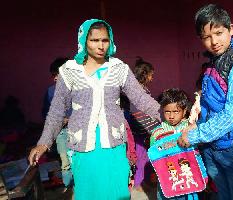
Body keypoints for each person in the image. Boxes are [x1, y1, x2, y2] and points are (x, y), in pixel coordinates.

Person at [28, 19, 160, 200]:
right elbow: (57, 111)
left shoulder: (118, 68)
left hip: (113, 144)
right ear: (83, 41)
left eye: (105, 40)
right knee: (88, 192)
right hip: (83, 146)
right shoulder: (69, 70)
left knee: (118, 192)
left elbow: (140, 98)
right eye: (94, 40)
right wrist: (44, 142)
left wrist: (165, 114)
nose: (101, 45)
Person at [177, 4, 233, 199]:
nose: (214, 41)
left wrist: (195, 135)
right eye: (206, 37)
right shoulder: (214, 61)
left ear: (231, 29)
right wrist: (195, 126)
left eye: (218, 33)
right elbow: (210, 104)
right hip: (215, 144)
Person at [149, 88, 197, 200]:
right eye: (167, 111)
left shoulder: (190, 129)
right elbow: (153, 155)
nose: (171, 116)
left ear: (184, 111)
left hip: (188, 175)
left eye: (176, 111)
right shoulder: (157, 133)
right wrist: (154, 172)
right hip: (166, 177)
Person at [42, 57, 73, 189]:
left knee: (80, 162)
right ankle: (69, 190)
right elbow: (45, 113)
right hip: (62, 133)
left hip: (81, 132)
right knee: (65, 162)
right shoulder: (50, 91)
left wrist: (70, 118)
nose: (54, 78)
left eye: (56, 74)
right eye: (53, 75)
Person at [129, 57, 160, 191]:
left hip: (140, 129)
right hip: (140, 130)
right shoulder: (138, 91)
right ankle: (139, 183)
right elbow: (137, 111)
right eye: (151, 75)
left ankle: (143, 180)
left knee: (142, 156)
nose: (152, 78)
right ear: (145, 74)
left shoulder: (139, 88)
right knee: (141, 157)